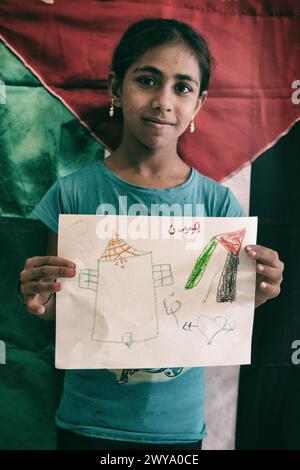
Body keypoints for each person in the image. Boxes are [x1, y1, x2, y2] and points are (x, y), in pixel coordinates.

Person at [18, 18, 284, 450]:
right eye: (147, 80)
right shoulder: (74, 193)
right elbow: (62, 312)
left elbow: (219, 310)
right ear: (116, 88)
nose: (163, 101)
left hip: (176, 430)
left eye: (182, 87)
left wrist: (256, 294)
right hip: (86, 423)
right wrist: (36, 299)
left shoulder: (218, 205)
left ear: (198, 104)